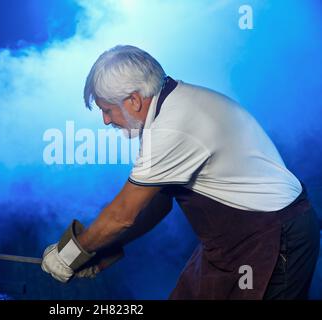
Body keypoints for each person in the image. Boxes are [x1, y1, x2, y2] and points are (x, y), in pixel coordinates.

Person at [41, 45, 320, 299]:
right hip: (232, 243)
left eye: (107, 110)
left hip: (275, 237)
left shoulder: (172, 127)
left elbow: (123, 215)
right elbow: (156, 206)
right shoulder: (171, 107)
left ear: (134, 101)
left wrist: (69, 255)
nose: (105, 121)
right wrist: (101, 250)